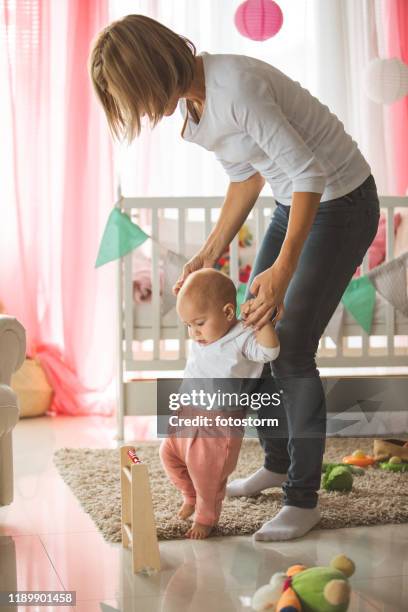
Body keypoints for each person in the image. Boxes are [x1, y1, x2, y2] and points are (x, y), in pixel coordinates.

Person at [89, 14, 380, 541]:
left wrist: (282, 266)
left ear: (154, 68)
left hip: (341, 200)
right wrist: (207, 252)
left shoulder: (236, 87)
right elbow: (245, 179)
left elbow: (311, 171)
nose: (135, 109)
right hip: (292, 200)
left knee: (289, 348)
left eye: (130, 93)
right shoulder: (195, 113)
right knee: (251, 333)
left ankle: (303, 498)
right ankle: (275, 462)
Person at [159, 268, 280, 539]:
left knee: (207, 475)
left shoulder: (242, 336)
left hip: (217, 424)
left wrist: (263, 324)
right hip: (187, 414)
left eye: (199, 323)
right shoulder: (204, 335)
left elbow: (269, 351)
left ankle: (207, 515)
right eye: (188, 325)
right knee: (168, 456)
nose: (194, 332)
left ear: (227, 313)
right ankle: (189, 495)